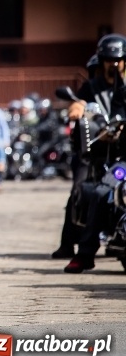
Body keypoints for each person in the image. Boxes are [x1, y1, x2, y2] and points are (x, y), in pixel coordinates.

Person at [56, 34, 126, 268]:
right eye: (108, 59)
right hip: (116, 156)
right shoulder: (112, 92)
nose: (113, 64)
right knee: (94, 191)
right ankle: (83, 253)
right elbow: (112, 115)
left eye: (118, 60)